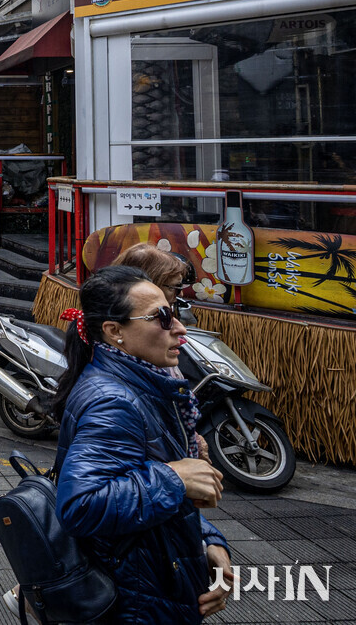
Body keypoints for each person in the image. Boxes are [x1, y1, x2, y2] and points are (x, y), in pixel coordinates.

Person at [49, 266, 233, 624]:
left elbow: (157, 495)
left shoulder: (149, 383)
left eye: (175, 312)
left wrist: (209, 542)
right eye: (161, 317)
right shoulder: (112, 400)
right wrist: (174, 478)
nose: (178, 328)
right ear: (114, 331)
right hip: (134, 601)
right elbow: (79, 505)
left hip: (155, 581)